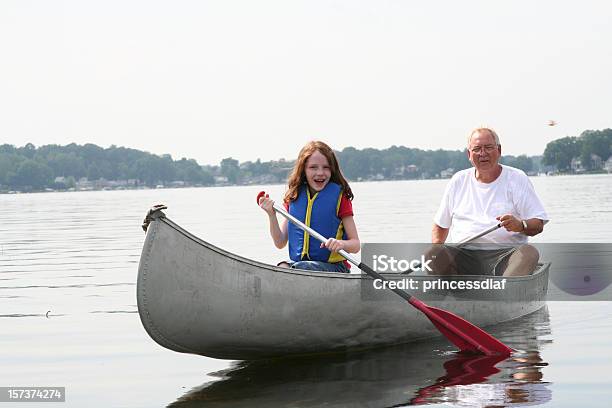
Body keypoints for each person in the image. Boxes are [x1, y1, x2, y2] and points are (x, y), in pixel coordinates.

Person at [430, 127, 548, 276]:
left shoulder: (517, 178)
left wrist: (520, 225)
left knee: (530, 252)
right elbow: (440, 226)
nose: (483, 153)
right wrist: (438, 250)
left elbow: (538, 224)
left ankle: (504, 293)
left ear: (499, 150)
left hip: (507, 255)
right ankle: (446, 294)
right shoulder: (458, 180)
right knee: (433, 252)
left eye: (488, 147)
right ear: (469, 154)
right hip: (464, 255)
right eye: (477, 149)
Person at [258, 141, 360, 272]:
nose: (320, 172)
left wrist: (341, 244)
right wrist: (271, 215)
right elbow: (280, 242)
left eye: (326, 167)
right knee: (283, 266)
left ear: (332, 169)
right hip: (300, 266)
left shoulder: (341, 198)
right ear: (303, 169)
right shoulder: (294, 196)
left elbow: (355, 245)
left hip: (334, 268)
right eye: (313, 167)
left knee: (299, 268)